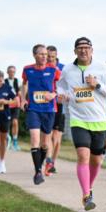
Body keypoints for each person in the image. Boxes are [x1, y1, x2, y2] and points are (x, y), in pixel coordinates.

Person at [57, 37, 106, 210]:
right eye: (79, 48)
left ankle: (90, 186)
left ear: (92, 50)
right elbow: (60, 86)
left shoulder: (102, 68)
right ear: (75, 51)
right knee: (83, 156)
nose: (83, 50)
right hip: (78, 119)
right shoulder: (67, 70)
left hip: (99, 120)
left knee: (96, 161)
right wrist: (63, 95)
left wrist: (96, 85)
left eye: (86, 47)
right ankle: (86, 195)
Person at [21, 45, 60, 184]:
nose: (44, 56)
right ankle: (38, 172)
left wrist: (54, 94)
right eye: (41, 54)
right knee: (35, 139)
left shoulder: (53, 70)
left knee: (45, 144)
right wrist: (23, 99)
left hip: (49, 110)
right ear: (34, 55)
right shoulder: (27, 69)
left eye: (45, 54)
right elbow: (24, 84)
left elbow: (62, 86)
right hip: (33, 109)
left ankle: (40, 166)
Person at [45, 45, 64, 176]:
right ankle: (49, 162)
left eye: (52, 57)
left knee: (57, 139)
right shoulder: (44, 68)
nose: (50, 59)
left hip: (60, 105)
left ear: (56, 56)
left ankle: (53, 163)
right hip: (47, 106)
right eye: (48, 57)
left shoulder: (63, 68)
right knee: (50, 136)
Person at [5, 65, 22, 151]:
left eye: (13, 72)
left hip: (15, 104)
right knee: (7, 122)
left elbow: (20, 92)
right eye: (10, 71)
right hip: (7, 104)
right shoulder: (4, 82)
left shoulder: (17, 81)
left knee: (15, 122)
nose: (12, 73)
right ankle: (7, 139)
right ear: (7, 72)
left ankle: (15, 141)